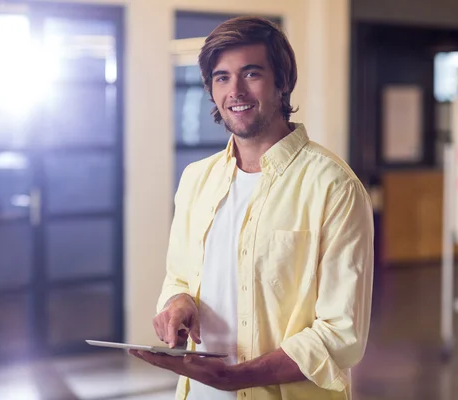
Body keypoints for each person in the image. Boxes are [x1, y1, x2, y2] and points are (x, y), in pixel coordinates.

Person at [130, 16, 374, 400]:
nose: (236, 90)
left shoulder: (334, 187)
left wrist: (238, 377)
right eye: (222, 77)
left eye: (251, 73)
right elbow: (179, 277)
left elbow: (342, 334)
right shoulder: (196, 180)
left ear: (283, 82)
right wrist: (178, 303)